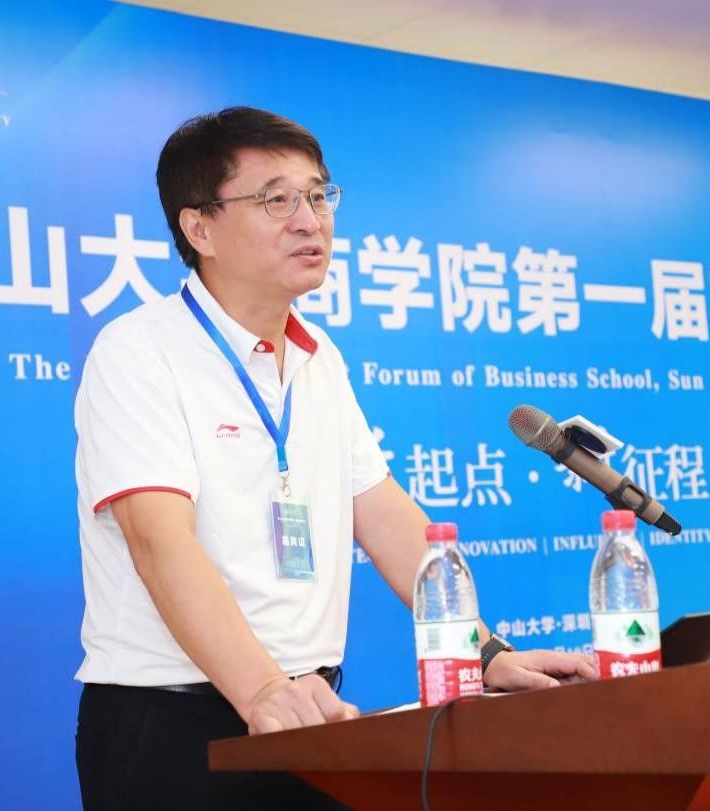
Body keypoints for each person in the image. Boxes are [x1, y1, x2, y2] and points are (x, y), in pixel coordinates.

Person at [73, 106, 596, 810]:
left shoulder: (318, 356)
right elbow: (158, 541)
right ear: (199, 229)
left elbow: (384, 515)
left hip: (306, 708)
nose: (310, 221)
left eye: (318, 196)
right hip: (174, 721)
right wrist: (262, 690)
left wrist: (484, 652)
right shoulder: (139, 350)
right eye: (276, 200)